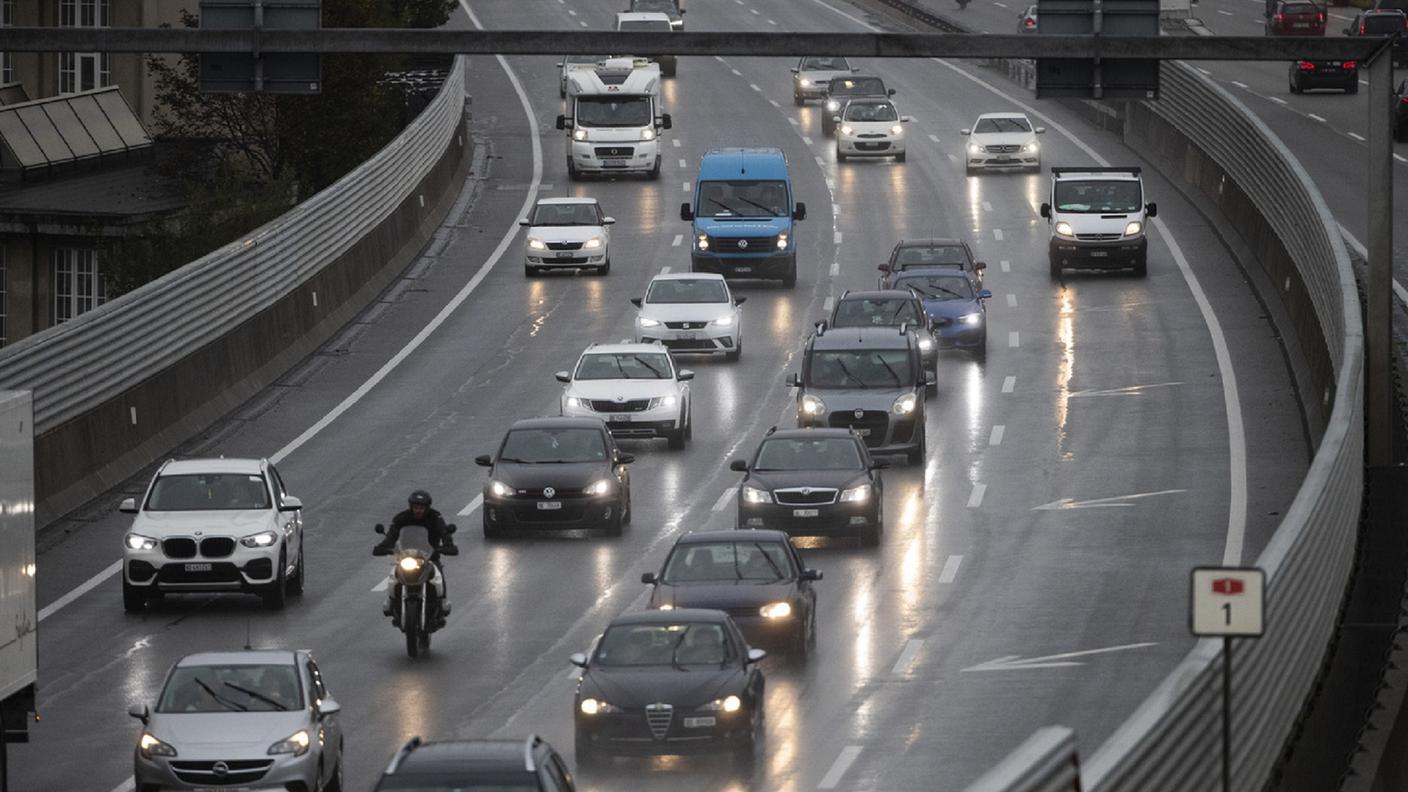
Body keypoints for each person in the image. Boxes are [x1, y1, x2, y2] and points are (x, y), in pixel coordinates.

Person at [375, 490, 457, 627]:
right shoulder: (402, 518)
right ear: (411, 507)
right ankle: (391, 601)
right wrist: (384, 546)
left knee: (438, 573)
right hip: (406, 556)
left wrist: (448, 545)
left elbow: (444, 532)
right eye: (416, 507)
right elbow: (392, 534)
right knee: (394, 574)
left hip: (429, 557)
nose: (418, 510)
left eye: (421, 508)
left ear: (427, 507)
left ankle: (442, 603)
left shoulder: (435, 517)